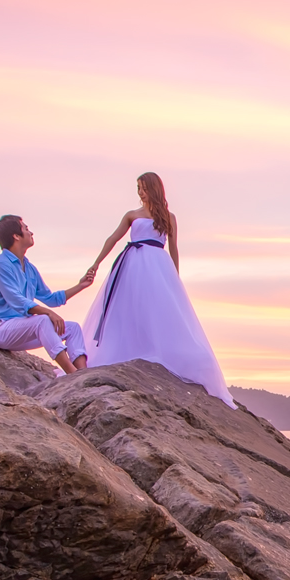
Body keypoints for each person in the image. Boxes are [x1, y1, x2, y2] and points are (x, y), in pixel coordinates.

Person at [83, 172, 235, 406]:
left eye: (143, 187)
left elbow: (174, 248)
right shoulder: (132, 215)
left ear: (154, 189)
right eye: (137, 188)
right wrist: (96, 263)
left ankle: (165, 355)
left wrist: (175, 278)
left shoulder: (169, 217)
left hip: (157, 265)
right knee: (128, 308)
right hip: (132, 264)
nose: (139, 192)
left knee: (159, 310)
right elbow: (113, 239)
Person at [0, 214, 94, 372]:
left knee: (72, 328)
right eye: (26, 229)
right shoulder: (1, 265)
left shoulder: (29, 267)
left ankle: (83, 373)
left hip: (22, 329)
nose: (31, 232)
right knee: (42, 320)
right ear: (16, 236)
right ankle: (71, 373)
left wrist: (80, 285)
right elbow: (16, 300)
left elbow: (50, 298)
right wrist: (48, 313)